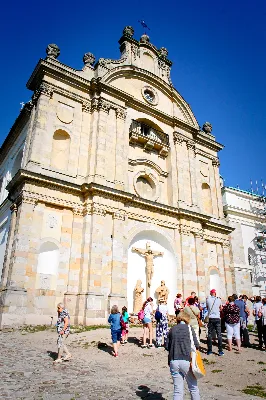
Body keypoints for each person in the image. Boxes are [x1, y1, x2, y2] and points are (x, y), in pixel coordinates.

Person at [166, 311, 200, 400]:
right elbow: (196, 345)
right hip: (187, 360)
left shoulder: (172, 329)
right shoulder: (189, 328)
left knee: (177, 390)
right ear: (187, 319)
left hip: (174, 361)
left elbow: (167, 346)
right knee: (193, 387)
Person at [206, 289, 224, 356]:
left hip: (211, 318)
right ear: (215, 293)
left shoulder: (208, 299)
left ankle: (209, 350)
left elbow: (207, 307)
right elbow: (221, 308)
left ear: (211, 293)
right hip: (217, 317)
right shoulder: (219, 299)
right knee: (219, 334)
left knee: (209, 334)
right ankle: (220, 351)